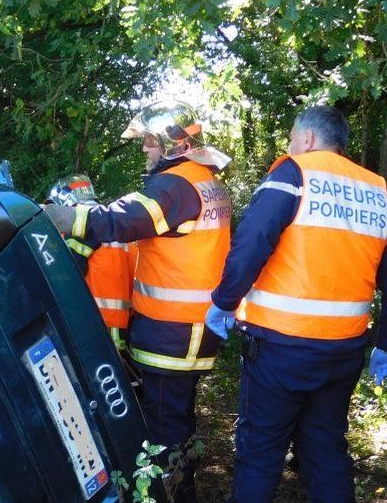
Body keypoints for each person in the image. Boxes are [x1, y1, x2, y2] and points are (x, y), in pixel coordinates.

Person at [204, 105, 387, 503]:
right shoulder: (378, 192)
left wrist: (224, 301)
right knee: (326, 451)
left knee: (260, 454)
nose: (289, 146)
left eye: (290, 139)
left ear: (308, 138)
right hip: (342, 352)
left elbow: (251, 242)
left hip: (279, 349)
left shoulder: (293, 175)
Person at [43, 101, 232, 502]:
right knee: (178, 417)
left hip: (172, 331)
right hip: (194, 328)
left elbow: (123, 218)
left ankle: (166, 495)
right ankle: (186, 489)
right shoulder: (204, 179)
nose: (144, 148)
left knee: (162, 427)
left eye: (148, 141)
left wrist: (67, 218)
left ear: (168, 141)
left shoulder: (175, 185)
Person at [48, 174, 137, 351]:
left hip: (90, 325)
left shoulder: (82, 226)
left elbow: (67, 273)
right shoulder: (117, 226)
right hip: (120, 330)